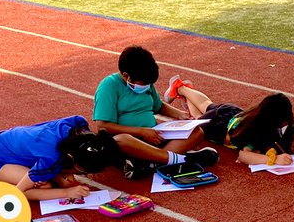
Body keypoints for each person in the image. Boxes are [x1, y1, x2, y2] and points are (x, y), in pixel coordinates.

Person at [92, 46, 219, 178]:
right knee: (121, 140)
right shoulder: (108, 86)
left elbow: (158, 106)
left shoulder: (145, 81)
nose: (147, 87)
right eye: (143, 84)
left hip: (154, 135)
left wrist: (181, 115)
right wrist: (141, 132)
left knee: (197, 131)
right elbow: (103, 126)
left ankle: (152, 163)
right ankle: (181, 159)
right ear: (126, 76)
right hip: (130, 140)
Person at [0, 115, 119, 201]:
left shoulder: (78, 127)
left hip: (14, 145)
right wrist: (66, 192)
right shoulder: (51, 156)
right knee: (47, 187)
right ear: (71, 158)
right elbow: (18, 192)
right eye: (81, 171)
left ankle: (49, 175)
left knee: (55, 180)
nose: (80, 174)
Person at [162, 83, 294, 166]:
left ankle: (181, 88)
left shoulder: (268, 120)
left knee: (206, 105)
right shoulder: (254, 130)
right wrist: (275, 160)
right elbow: (244, 156)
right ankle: (181, 89)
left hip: (231, 113)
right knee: (196, 119)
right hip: (217, 126)